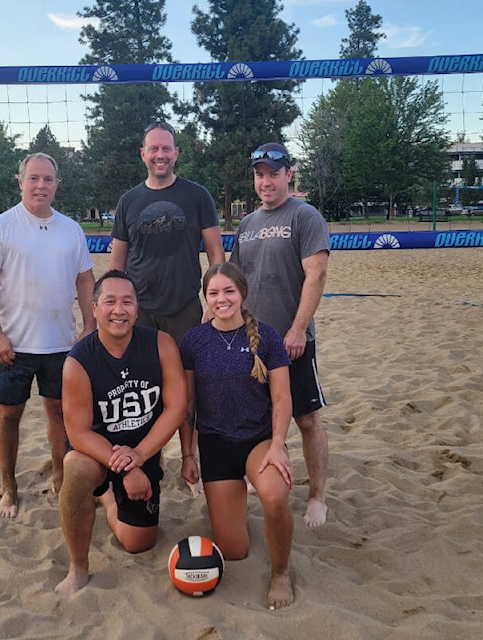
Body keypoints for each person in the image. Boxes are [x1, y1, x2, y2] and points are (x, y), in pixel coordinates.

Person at [0, 152, 96, 519]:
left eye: (48, 179)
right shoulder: (1, 227)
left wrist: (89, 326)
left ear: (57, 184)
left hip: (61, 344)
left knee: (59, 415)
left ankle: (61, 479)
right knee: (9, 416)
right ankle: (9, 487)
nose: (41, 185)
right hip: (13, 345)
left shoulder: (70, 229)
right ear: (21, 181)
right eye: (34, 178)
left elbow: (85, 279)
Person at [55, 270, 186, 595]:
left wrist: (139, 456)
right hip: (96, 452)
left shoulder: (160, 344)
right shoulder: (78, 361)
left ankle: (108, 498)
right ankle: (79, 566)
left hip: (142, 448)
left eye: (127, 301)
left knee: (138, 543)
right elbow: (79, 432)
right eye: (110, 301)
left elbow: (176, 409)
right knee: (77, 470)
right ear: (94, 308)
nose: (119, 310)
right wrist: (127, 466)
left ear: (137, 308)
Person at [179, 262, 295, 610]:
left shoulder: (268, 337)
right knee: (233, 550)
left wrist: (277, 445)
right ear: (206, 297)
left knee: (274, 498)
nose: (221, 298)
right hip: (216, 444)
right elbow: (187, 406)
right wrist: (188, 455)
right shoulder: (194, 341)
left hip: (259, 440)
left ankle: (280, 573)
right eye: (213, 293)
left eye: (229, 291)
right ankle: (233, 501)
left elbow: (282, 398)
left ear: (243, 293)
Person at [229, 142, 331, 528]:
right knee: (259, 416)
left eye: (273, 172)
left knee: (306, 419)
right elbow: (236, 281)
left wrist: (299, 328)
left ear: (289, 174)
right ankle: (267, 471)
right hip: (252, 338)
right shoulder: (247, 223)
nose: (266, 180)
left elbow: (316, 275)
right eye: (260, 173)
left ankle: (318, 496)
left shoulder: (305, 216)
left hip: (292, 338)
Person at [108, 121, 226, 345]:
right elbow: (116, 263)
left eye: (166, 149)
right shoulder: (128, 201)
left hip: (184, 306)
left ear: (176, 153)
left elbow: (215, 254)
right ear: (143, 154)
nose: (160, 155)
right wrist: (114, 307)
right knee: (142, 377)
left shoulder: (198, 196)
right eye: (153, 149)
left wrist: (215, 303)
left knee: (186, 376)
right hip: (138, 308)